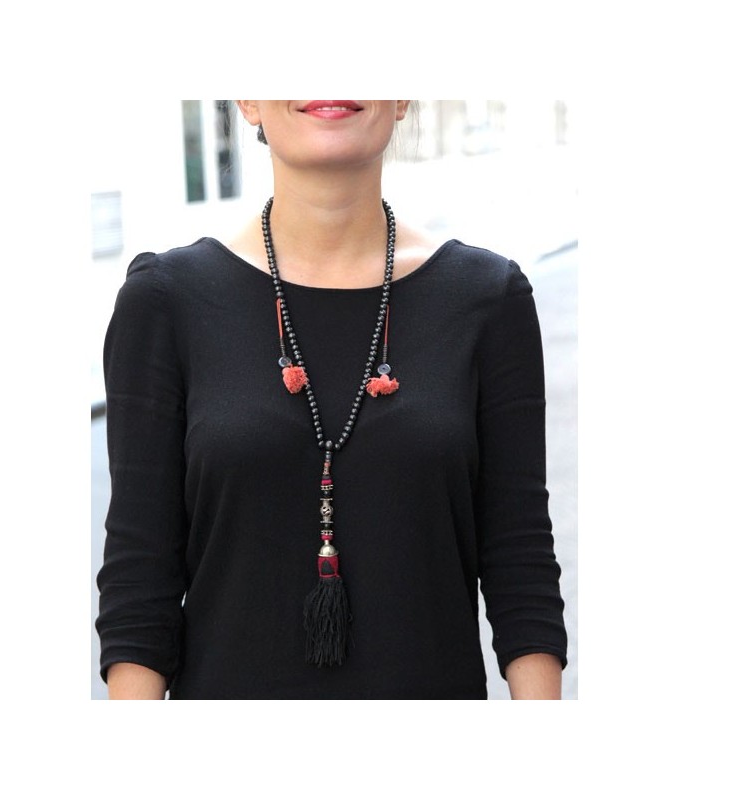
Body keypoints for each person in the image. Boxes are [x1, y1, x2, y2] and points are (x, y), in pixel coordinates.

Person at [95, 100, 568, 699]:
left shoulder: (488, 300)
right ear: (248, 101)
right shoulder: (166, 302)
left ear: (402, 98)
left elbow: (521, 561)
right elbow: (140, 581)